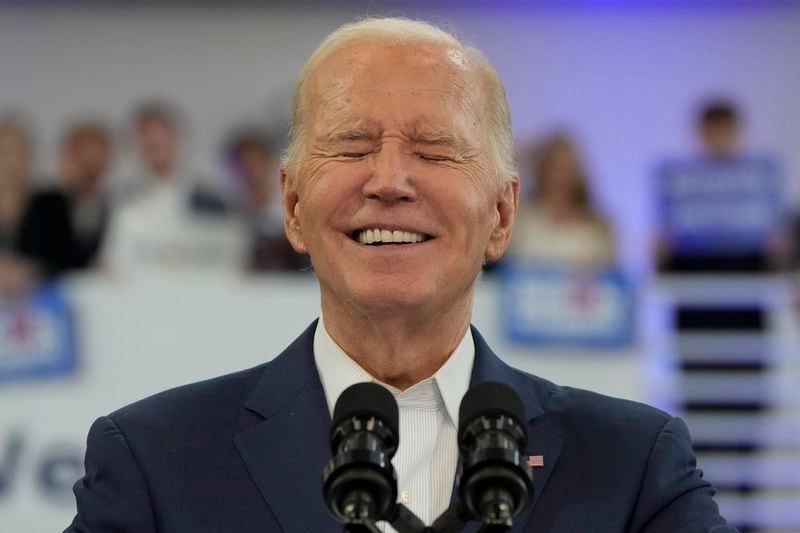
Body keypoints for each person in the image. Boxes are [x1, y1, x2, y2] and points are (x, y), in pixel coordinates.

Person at [66, 18, 735, 533]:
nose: (388, 181)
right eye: (352, 146)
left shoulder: (635, 466)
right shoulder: (153, 459)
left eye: (434, 149)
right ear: (293, 207)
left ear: (502, 214)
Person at [101, 102, 245, 276]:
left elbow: (227, 255)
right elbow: (110, 257)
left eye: (161, 142)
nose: (156, 150)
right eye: (149, 144)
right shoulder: (118, 199)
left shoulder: (211, 202)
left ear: (177, 141)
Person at [14, 120, 113, 277]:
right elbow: (33, 258)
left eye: (97, 165)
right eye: (84, 162)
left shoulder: (112, 207)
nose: (90, 172)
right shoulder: (45, 204)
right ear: (69, 158)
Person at [507, 133, 615, 269]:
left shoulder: (597, 227)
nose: (559, 177)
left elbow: (610, 276)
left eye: (566, 169)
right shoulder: (520, 220)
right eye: (554, 168)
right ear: (541, 170)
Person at [224, 128, 308, 272]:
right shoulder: (228, 206)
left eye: (255, 163)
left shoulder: (293, 203)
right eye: (243, 165)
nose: (251, 171)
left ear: (268, 162)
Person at [0, 113, 37, 299]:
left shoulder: (47, 205)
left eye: (17, 151)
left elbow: (63, 257)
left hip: (37, 307)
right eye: (4, 152)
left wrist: (31, 269)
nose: (10, 161)